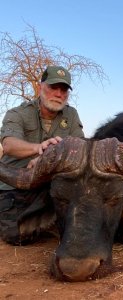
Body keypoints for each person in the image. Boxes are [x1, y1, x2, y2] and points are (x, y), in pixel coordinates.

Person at [0, 65, 84, 245]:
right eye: (53, 87)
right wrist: (38, 148)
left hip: (51, 186)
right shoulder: (17, 113)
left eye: (64, 90)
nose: (59, 94)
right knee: (18, 235)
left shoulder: (72, 114)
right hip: (16, 187)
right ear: (40, 88)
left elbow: (80, 148)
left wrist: (46, 159)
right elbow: (8, 145)